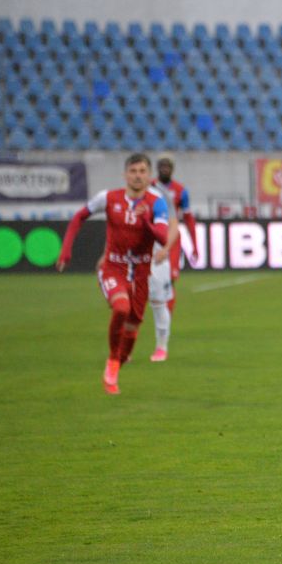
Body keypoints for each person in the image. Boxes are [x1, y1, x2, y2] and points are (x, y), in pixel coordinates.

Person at [57, 153, 173, 395]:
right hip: (113, 267)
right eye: (133, 171)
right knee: (121, 307)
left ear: (148, 175)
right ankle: (112, 363)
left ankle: (119, 360)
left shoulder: (156, 202)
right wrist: (66, 251)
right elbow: (79, 216)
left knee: (133, 327)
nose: (137, 176)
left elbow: (162, 238)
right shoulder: (108, 198)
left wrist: (145, 222)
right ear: (125, 174)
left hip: (142, 272)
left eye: (142, 171)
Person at [147, 155, 199, 361]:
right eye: (162, 166)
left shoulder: (180, 191)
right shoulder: (148, 187)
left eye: (168, 166)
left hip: (171, 240)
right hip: (151, 239)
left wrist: (194, 244)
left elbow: (187, 218)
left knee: (170, 281)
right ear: (157, 168)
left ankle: (164, 324)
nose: (165, 169)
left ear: (173, 168)